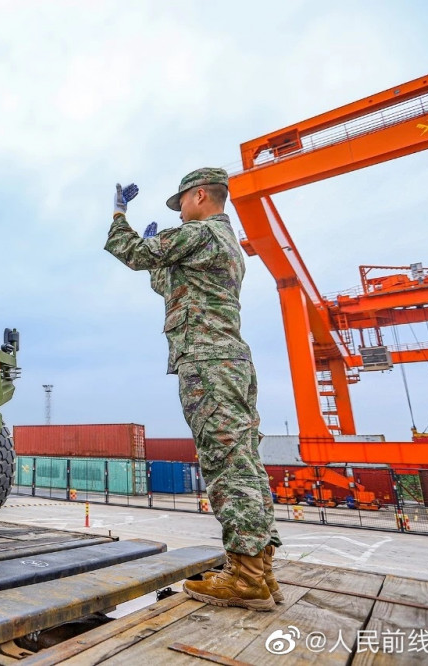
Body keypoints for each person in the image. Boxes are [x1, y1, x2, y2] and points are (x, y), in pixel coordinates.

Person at [103, 167, 282, 612]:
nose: (178, 212)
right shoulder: (224, 243)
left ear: (200, 195)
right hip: (230, 362)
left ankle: (246, 577)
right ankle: (260, 567)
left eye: (180, 202)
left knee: (227, 464)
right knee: (244, 462)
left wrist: (119, 215)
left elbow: (130, 251)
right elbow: (167, 281)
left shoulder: (201, 233)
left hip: (208, 362)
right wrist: (158, 260)